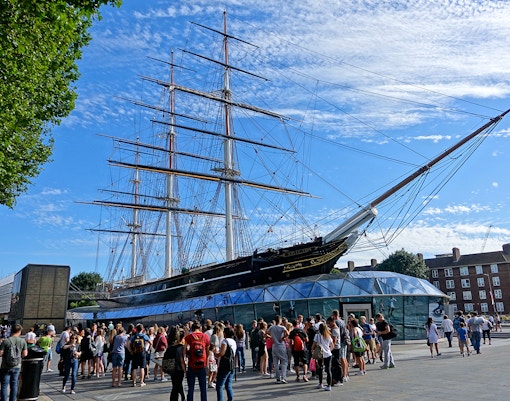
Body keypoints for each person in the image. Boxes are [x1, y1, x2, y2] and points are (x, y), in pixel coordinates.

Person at [0, 324, 28, 401]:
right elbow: (25, 354)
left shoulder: (6, 341)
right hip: (16, 366)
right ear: (19, 331)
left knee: (4, 385)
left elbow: (0, 353)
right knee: (14, 385)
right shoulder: (22, 341)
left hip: (5, 366)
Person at [184, 320, 210, 401]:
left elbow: (184, 351)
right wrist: (207, 362)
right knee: (203, 388)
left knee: (191, 388)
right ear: (200, 327)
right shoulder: (205, 336)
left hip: (192, 364)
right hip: (202, 364)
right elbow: (208, 350)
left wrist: (189, 353)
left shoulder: (188, 337)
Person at [215, 326, 237, 401]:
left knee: (219, 386)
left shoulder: (225, 341)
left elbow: (222, 353)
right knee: (228, 385)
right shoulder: (233, 341)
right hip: (231, 364)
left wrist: (216, 353)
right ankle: (230, 399)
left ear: (225, 333)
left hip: (224, 365)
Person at [312, 321, 333, 391]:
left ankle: (320, 383)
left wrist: (313, 351)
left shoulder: (317, 336)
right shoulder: (328, 335)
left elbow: (313, 345)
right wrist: (329, 350)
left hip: (320, 355)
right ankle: (329, 385)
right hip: (328, 354)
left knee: (320, 369)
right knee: (328, 370)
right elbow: (332, 345)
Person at [268, 315, 289, 384]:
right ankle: (283, 377)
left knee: (275, 362)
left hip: (274, 345)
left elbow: (265, 334)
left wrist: (271, 337)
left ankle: (278, 378)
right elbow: (287, 333)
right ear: (279, 320)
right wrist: (282, 338)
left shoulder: (271, 327)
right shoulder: (282, 327)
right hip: (281, 345)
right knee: (284, 361)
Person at [169, 328, 187, 401]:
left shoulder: (171, 347)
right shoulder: (180, 348)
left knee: (175, 386)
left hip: (172, 369)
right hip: (179, 369)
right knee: (180, 385)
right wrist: (185, 370)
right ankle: (183, 397)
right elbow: (182, 361)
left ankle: (176, 398)